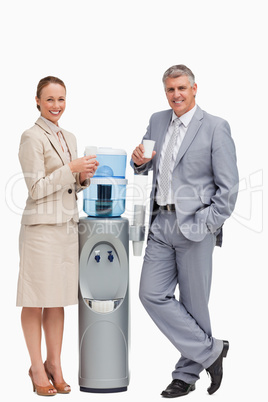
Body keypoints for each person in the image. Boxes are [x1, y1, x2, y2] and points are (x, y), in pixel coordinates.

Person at [131, 65, 239, 398]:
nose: (175, 95)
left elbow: (229, 187)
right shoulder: (157, 119)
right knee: (150, 293)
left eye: (181, 88)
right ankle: (211, 352)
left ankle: (186, 375)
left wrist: (208, 224)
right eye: (169, 90)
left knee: (194, 305)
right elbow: (148, 163)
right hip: (160, 223)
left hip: (195, 227)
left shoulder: (216, 127)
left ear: (194, 89)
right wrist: (138, 161)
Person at [16, 76, 99, 396]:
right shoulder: (30, 137)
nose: (56, 105)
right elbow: (36, 189)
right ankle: (37, 367)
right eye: (50, 99)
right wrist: (70, 169)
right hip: (40, 232)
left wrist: (81, 176)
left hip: (66, 228)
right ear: (37, 101)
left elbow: (68, 185)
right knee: (36, 300)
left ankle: (55, 364)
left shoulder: (69, 136)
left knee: (58, 301)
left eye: (61, 99)